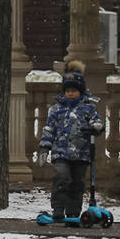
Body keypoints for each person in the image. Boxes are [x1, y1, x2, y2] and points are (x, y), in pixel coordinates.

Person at [38, 61, 104, 224]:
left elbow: (98, 122)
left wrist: (95, 128)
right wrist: (44, 148)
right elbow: (49, 129)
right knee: (62, 177)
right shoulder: (57, 110)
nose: (70, 94)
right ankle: (58, 209)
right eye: (67, 91)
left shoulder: (89, 108)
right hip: (61, 152)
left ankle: (73, 212)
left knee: (77, 183)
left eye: (74, 91)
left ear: (80, 92)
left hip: (81, 154)